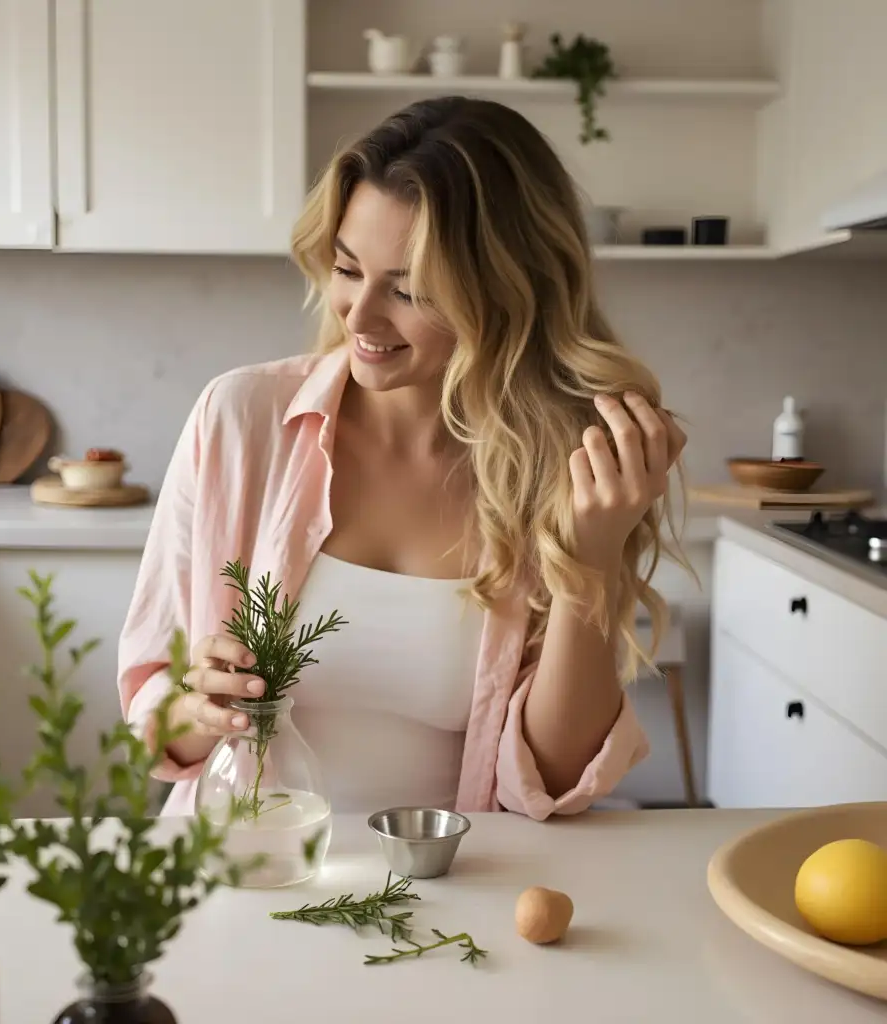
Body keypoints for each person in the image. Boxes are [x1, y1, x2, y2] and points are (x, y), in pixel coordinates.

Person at [117, 96, 688, 819]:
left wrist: (591, 556)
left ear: (509, 294)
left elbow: (552, 780)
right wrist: (197, 709)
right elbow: (151, 711)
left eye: (409, 290)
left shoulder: (560, 467)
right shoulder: (240, 419)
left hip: (449, 889)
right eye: (348, 269)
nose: (357, 316)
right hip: (247, 866)